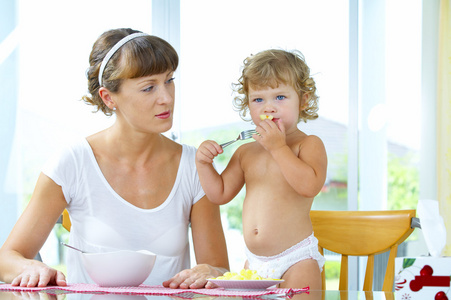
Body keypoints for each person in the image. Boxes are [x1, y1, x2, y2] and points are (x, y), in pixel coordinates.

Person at [0, 28, 229, 288]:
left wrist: (212, 271)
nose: (166, 98)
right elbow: (7, 258)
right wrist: (31, 266)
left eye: (169, 80)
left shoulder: (194, 166)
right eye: (148, 88)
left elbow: (219, 268)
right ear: (109, 98)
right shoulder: (73, 164)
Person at [195, 49, 327, 289]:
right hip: (254, 263)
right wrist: (204, 165)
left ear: (304, 100)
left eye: (280, 97)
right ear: (248, 104)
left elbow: (309, 187)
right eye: (258, 99)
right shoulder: (246, 152)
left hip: (297, 259)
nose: (269, 108)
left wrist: (278, 148)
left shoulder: (308, 144)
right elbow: (219, 194)